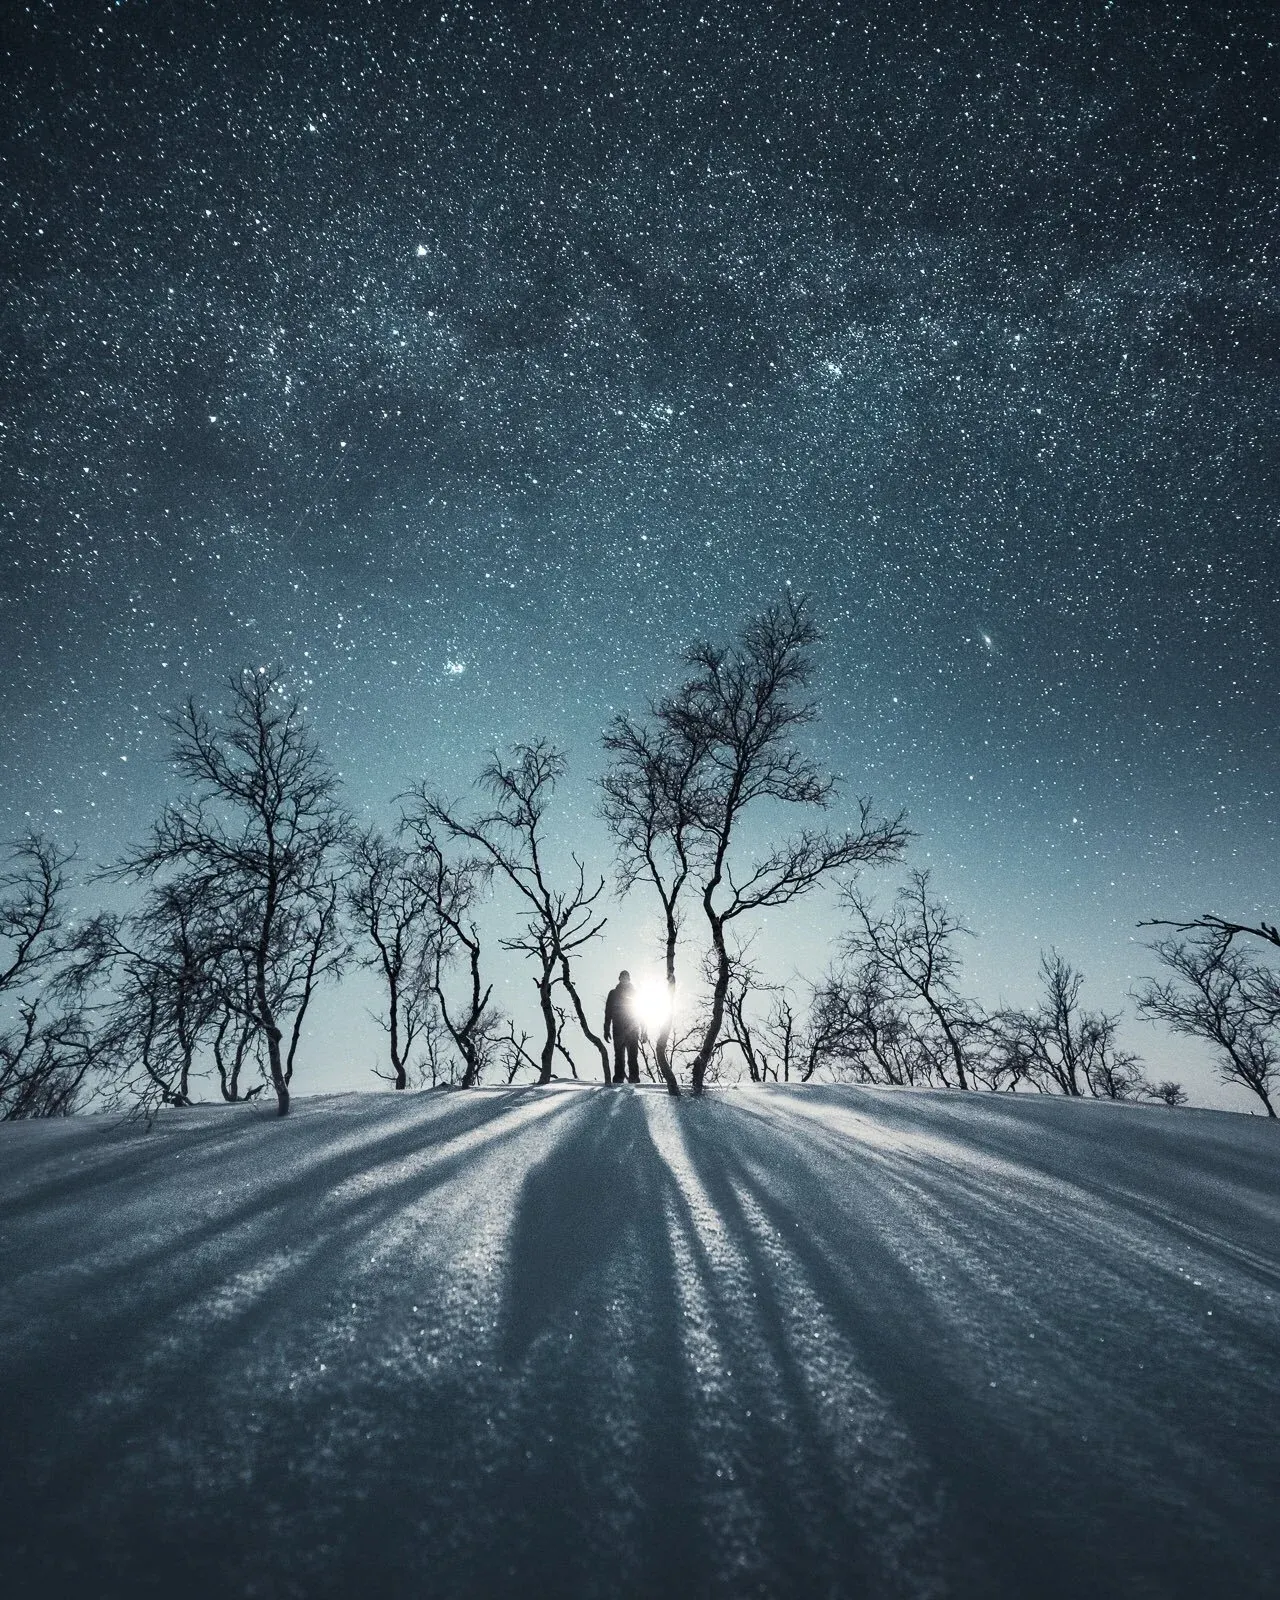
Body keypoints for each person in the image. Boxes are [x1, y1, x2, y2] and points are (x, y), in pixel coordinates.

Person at [603, 970, 641, 1084]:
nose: (624, 979)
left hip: (633, 1029)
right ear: (619, 978)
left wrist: (645, 1031)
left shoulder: (635, 993)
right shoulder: (613, 993)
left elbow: (641, 1012)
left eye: (626, 977)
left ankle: (634, 1080)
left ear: (629, 979)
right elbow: (608, 1012)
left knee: (633, 1056)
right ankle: (618, 1079)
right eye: (622, 977)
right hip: (618, 1029)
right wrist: (606, 1029)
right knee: (619, 1056)